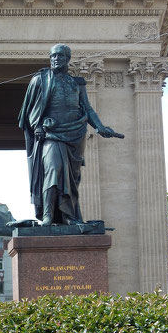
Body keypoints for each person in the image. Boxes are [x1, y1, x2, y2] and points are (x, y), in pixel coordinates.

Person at [19, 44, 118, 226]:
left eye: (60, 56)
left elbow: (87, 108)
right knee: (53, 169)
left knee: (72, 179)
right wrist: (37, 125)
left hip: (75, 134)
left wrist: (100, 126)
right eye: (53, 56)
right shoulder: (40, 79)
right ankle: (48, 215)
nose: (56, 59)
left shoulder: (77, 83)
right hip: (52, 134)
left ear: (68, 59)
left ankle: (68, 216)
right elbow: (29, 110)